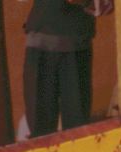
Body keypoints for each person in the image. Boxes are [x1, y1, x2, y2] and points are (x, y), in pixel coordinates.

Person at [21, 0, 104, 138]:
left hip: (76, 43)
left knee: (77, 130)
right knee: (41, 133)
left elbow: (104, 6)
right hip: (42, 42)